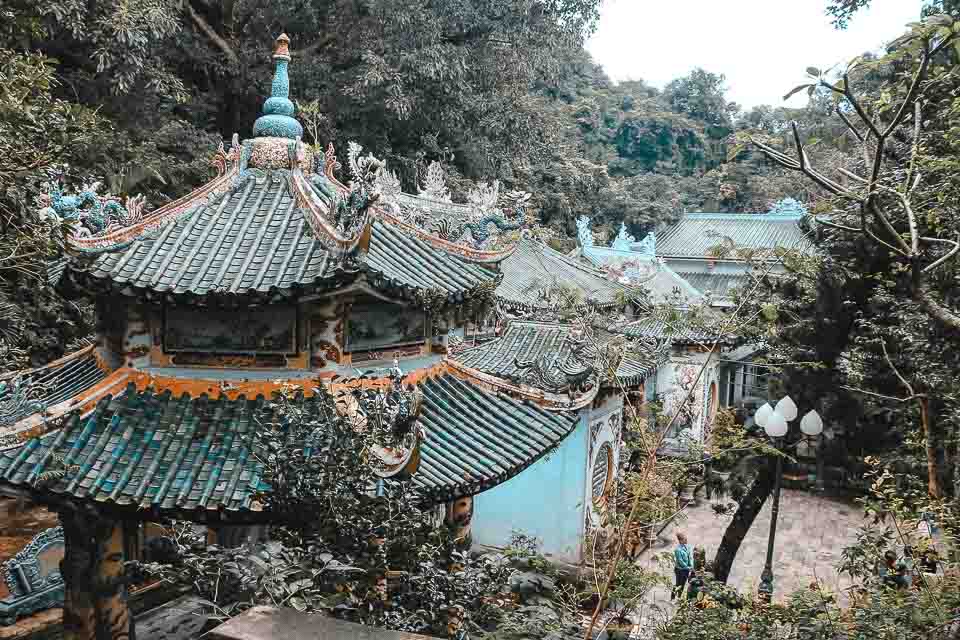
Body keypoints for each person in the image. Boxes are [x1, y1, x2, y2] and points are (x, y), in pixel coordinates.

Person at [672, 532, 693, 600]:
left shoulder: (687, 547)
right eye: (684, 539)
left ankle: (679, 597)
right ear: (680, 541)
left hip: (686, 570)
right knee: (678, 584)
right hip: (679, 570)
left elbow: (690, 557)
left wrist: (691, 565)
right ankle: (673, 597)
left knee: (683, 584)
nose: (686, 539)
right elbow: (680, 561)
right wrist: (688, 568)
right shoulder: (677, 550)